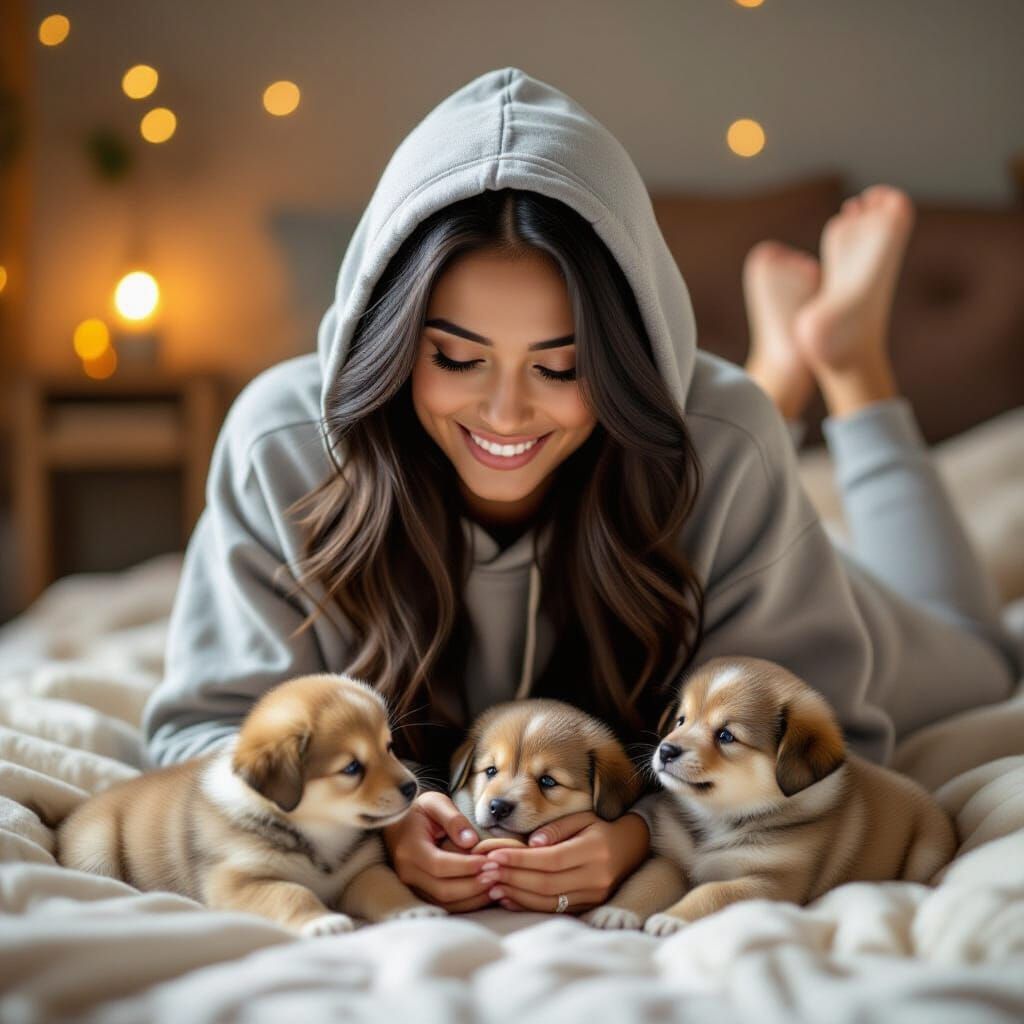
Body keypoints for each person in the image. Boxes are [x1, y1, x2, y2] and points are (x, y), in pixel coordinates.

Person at [143, 68, 1019, 918]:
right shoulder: (281, 443)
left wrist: (647, 833)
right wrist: (378, 829)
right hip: (711, 450)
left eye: (563, 367)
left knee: (986, 658)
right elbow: (203, 737)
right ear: (391, 339)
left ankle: (849, 364)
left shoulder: (727, 447)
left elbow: (832, 758)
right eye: (456, 358)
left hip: (740, 499)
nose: (505, 411)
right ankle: (771, 378)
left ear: (625, 364)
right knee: (728, 430)